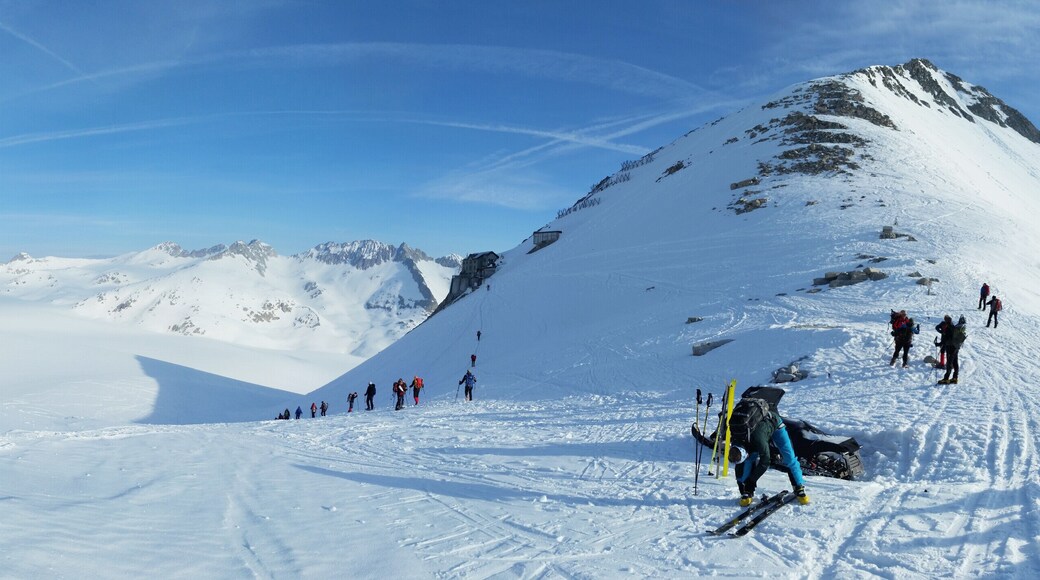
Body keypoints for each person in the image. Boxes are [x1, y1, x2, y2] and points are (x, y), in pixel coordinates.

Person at [729, 401, 810, 506]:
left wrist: (751, 481)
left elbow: (765, 462)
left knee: (789, 457)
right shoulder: (735, 441)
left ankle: (799, 487)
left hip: (774, 424)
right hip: (754, 432)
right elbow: (740, 464)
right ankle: (748, 491)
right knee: (749, 460)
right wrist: (744, 488)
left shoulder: (759, 440)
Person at [938, 316, 967, 384]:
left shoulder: (948, 328)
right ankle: (955, 378)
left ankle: (946, 379)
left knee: (949, 363)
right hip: (956, 347)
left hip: (950, 348)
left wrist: (939, 344)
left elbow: (945, 339)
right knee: (955, 362)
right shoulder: (954, 327)